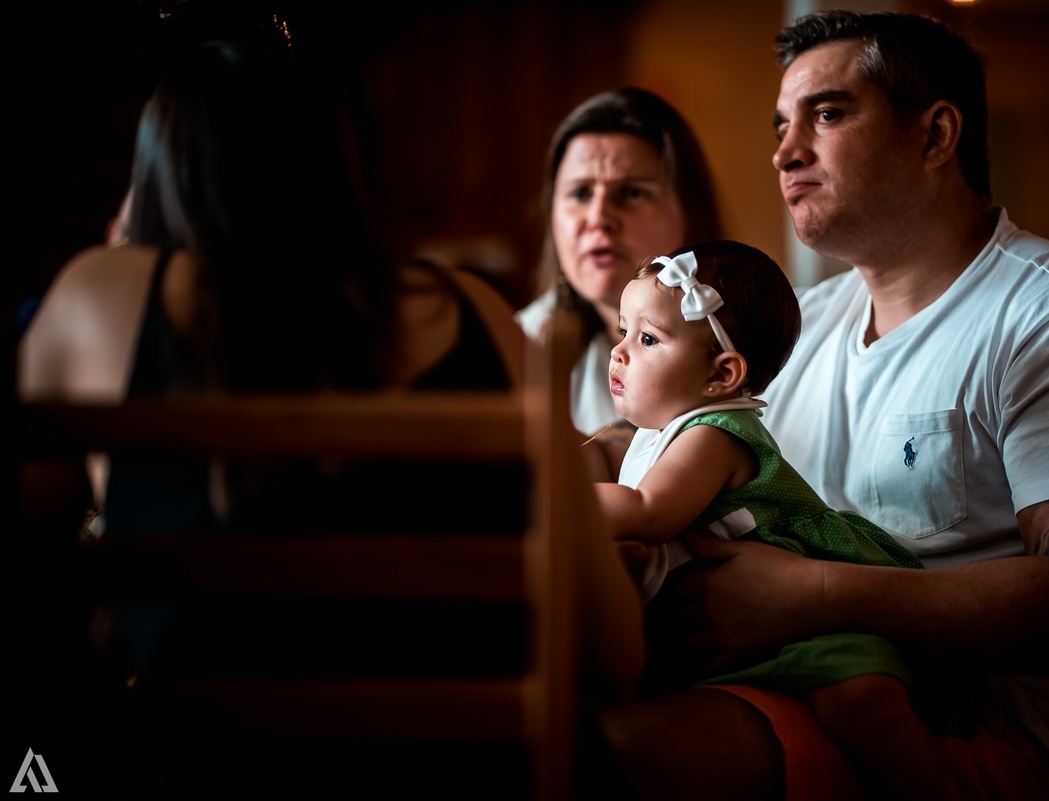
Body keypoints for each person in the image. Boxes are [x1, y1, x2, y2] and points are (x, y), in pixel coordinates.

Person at [17, 37, 643, 796]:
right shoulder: (481, 318)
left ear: (154, 176)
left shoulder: (99, 296)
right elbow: (613, 653)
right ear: (340, 171)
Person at [586, 10, 1049, 801]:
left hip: (975, 736)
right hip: (795, 685)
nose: (784, 150)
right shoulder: (810, 320)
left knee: (610, 754)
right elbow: (666, 437)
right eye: (780, 124)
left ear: (936, 136)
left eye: (827, 113)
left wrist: (809, 596)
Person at [594, 239, 948, 801]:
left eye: (647, 339)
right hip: (745, 635)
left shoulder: (713, 433)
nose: (619, 353)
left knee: (860, 701)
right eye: (622, 332)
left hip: (811, 622)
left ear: (721, 375)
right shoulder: (662, 431)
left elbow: (648, 513)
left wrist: (557, 496)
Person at [516, 86, 723, 443]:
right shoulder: (522, 345)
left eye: (631, 192)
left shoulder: (759, 338)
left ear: (689, 210)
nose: (598, 218)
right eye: (579, 193)